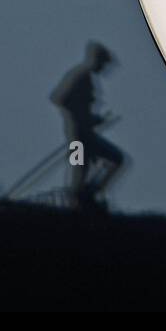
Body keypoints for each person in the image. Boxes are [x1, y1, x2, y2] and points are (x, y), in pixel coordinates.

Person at [50, 41, 126, 209]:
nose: (104, 68)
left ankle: (86, 195)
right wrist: (80, 118)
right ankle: (82, 196)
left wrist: (92, 119)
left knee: (81, 166)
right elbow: (59, 98)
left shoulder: (86, 77)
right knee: (81, 165)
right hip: (78, 136)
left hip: (82, 134)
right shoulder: (81, 76)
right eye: (104, 63)